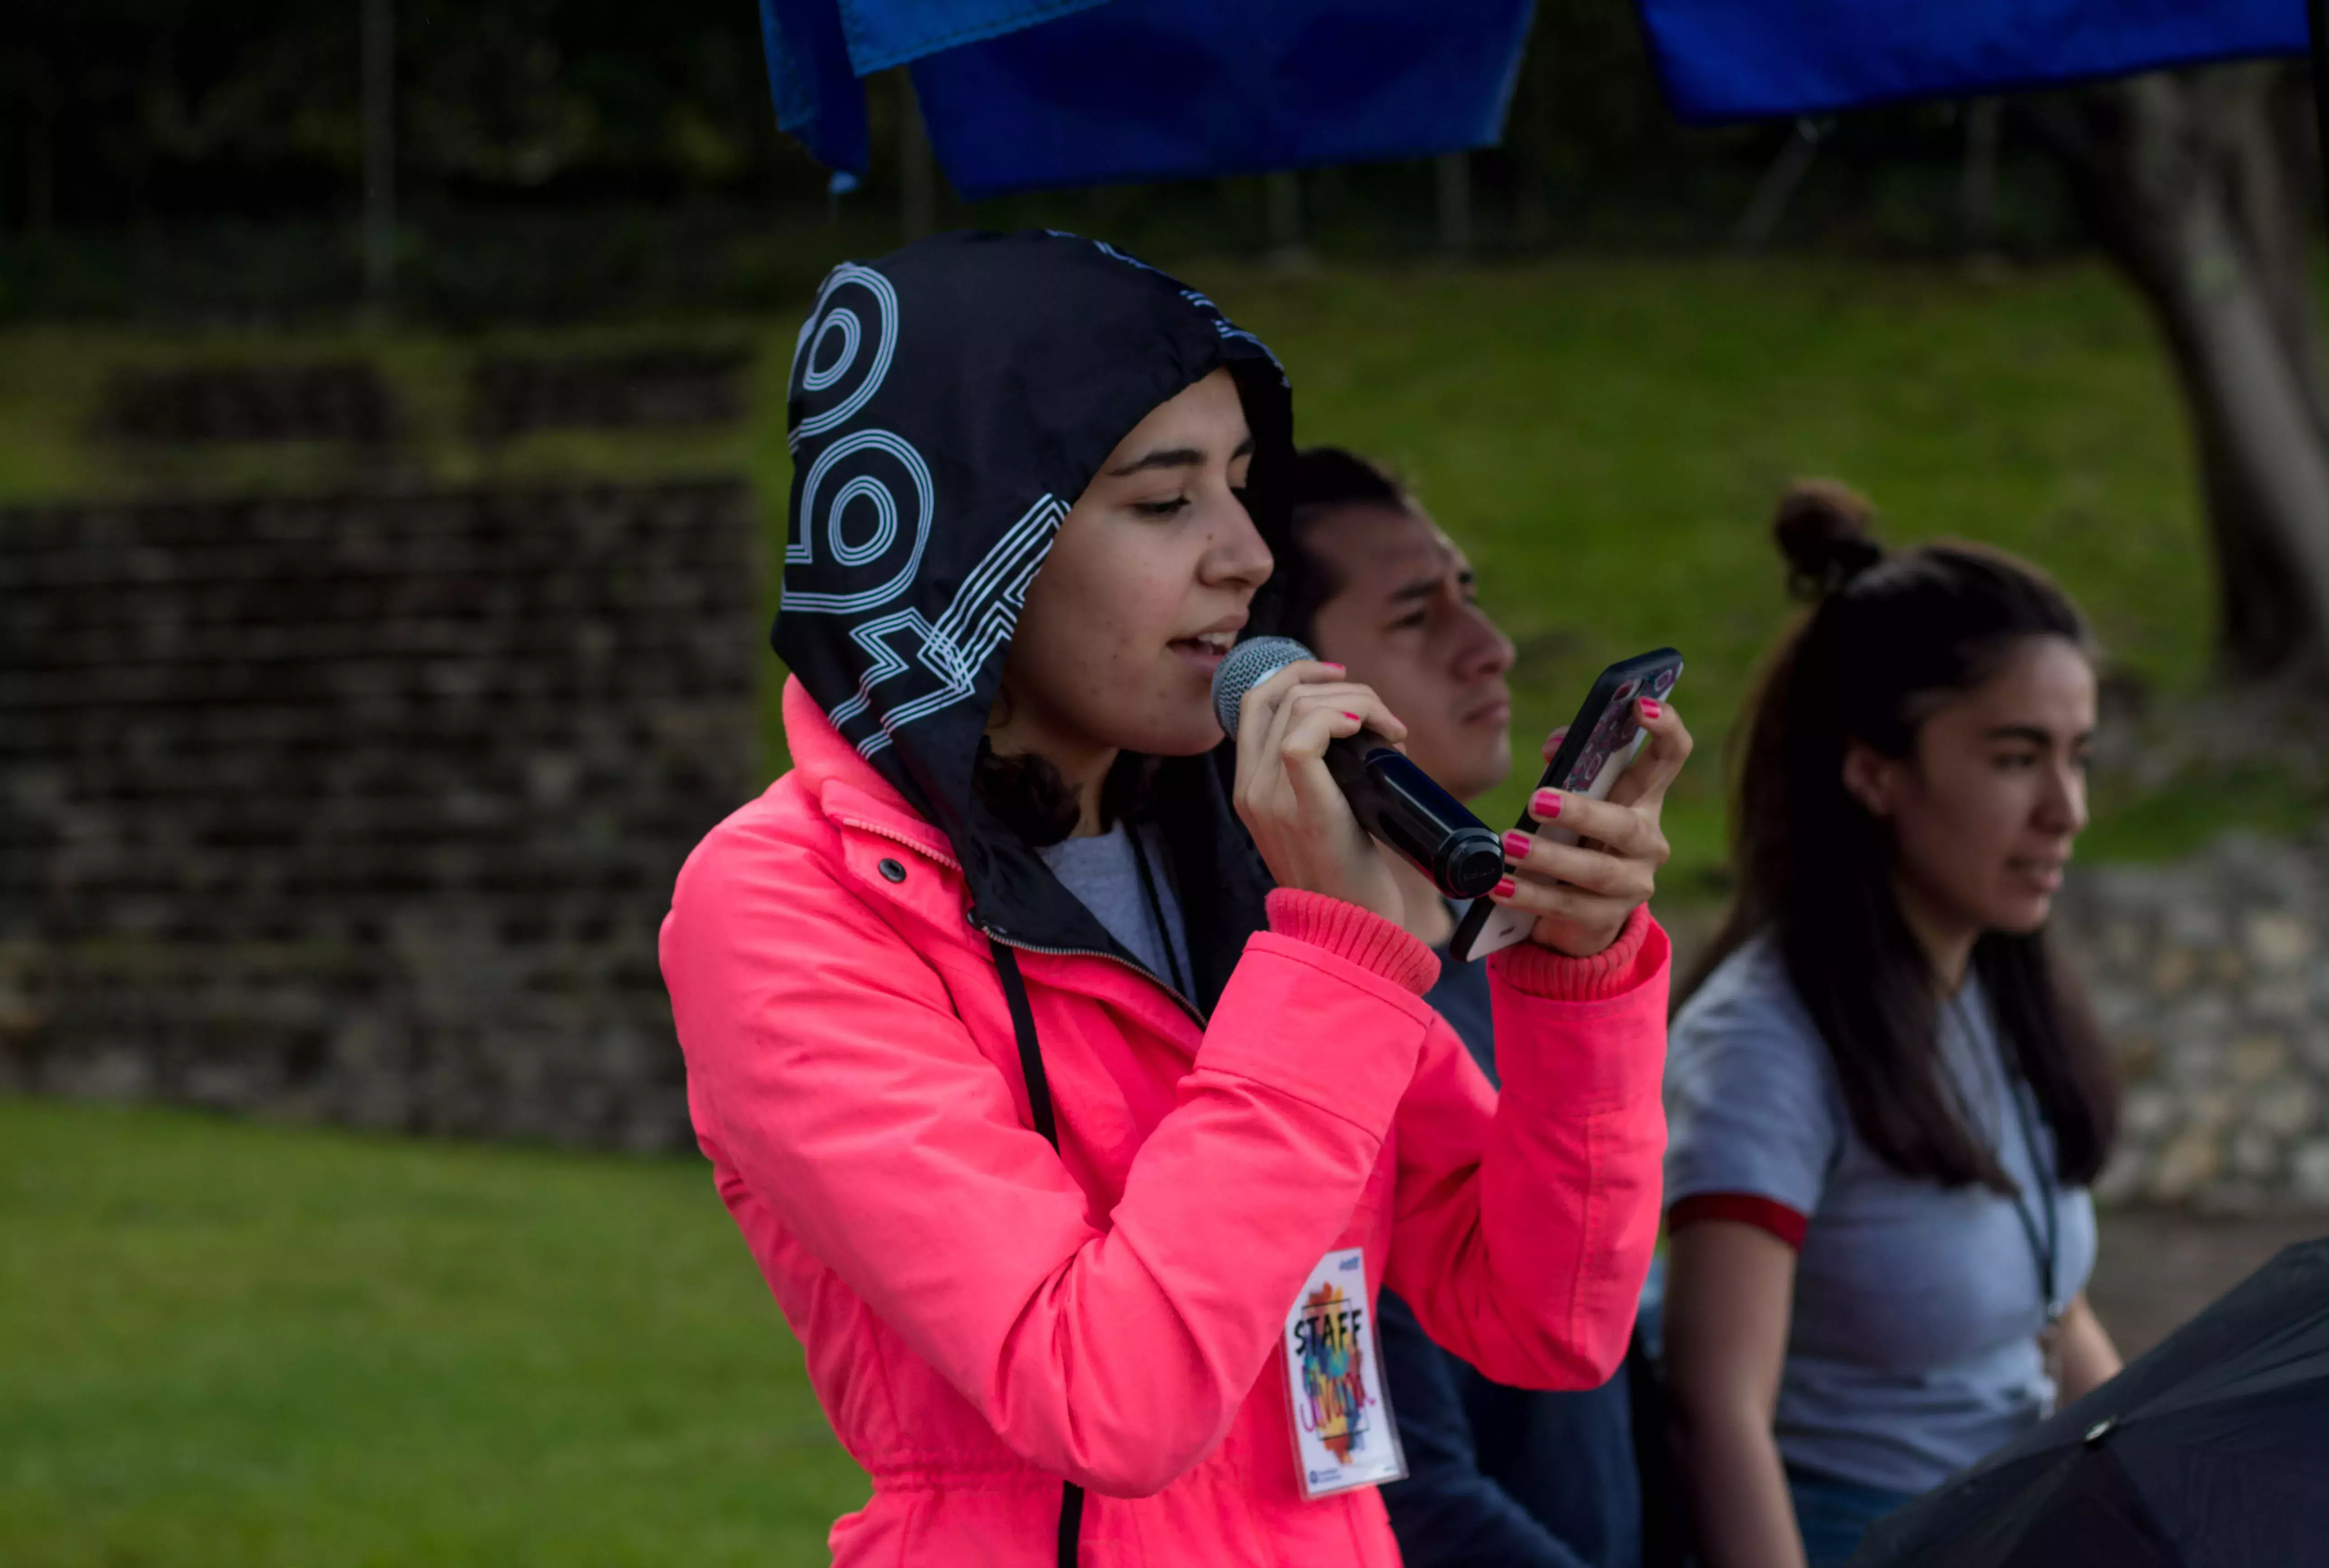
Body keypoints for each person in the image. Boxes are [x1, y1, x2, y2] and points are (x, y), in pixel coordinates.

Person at [658, 231, 1691, 1566]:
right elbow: (1108, 1399)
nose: (1249, 556)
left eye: (1243, 487)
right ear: (983, 545)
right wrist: (1335, 955)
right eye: (1164, 503)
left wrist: (1577, 974)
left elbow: (1544, 1314)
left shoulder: (1242, 843)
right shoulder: (789, 903)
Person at [1660, 481, 2125, 1568]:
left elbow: (2054, 1322)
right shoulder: (1766, 1045)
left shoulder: (1992, 990)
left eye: (2079, 755)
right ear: (1873, 772)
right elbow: (1713, 1414)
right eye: (2017, 759)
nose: (2069, 810)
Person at [1276, 446, 1652, 1568]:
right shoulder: (1315, 1026)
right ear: (1296, 685)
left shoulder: (1514, 978)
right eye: (1415, 614)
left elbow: (1605, 1351)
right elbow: (1391, 1479)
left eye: (1468, 595)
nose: (1486, 647)